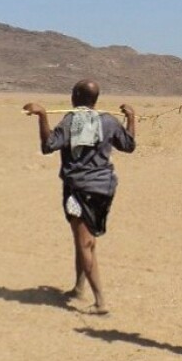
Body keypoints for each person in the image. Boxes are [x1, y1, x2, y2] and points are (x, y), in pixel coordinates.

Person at [23, 79, 136, 315]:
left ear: (74, 96)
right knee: (83, 238)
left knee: (85, 244)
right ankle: (78, 288)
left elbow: (48, 146)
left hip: (78, 191)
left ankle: (100, 301)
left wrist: (42, 116)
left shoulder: (71, 121)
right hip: (104, 190)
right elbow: (128, 145)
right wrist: (132, 119)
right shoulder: (109, 121)